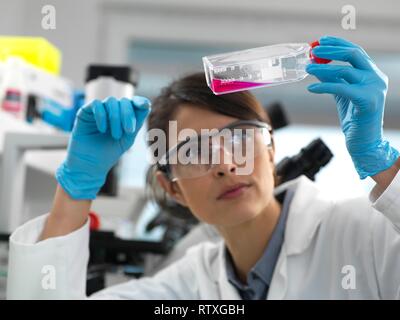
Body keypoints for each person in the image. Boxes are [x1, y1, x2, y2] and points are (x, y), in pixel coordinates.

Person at [7, 36, 400, 299]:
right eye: (194, 153)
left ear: (271, 149)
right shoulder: (186, 289)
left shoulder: (362, 237)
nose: (226, 165)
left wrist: (383, 163)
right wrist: (77, 187)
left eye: (241, 137)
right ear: (172, 187)